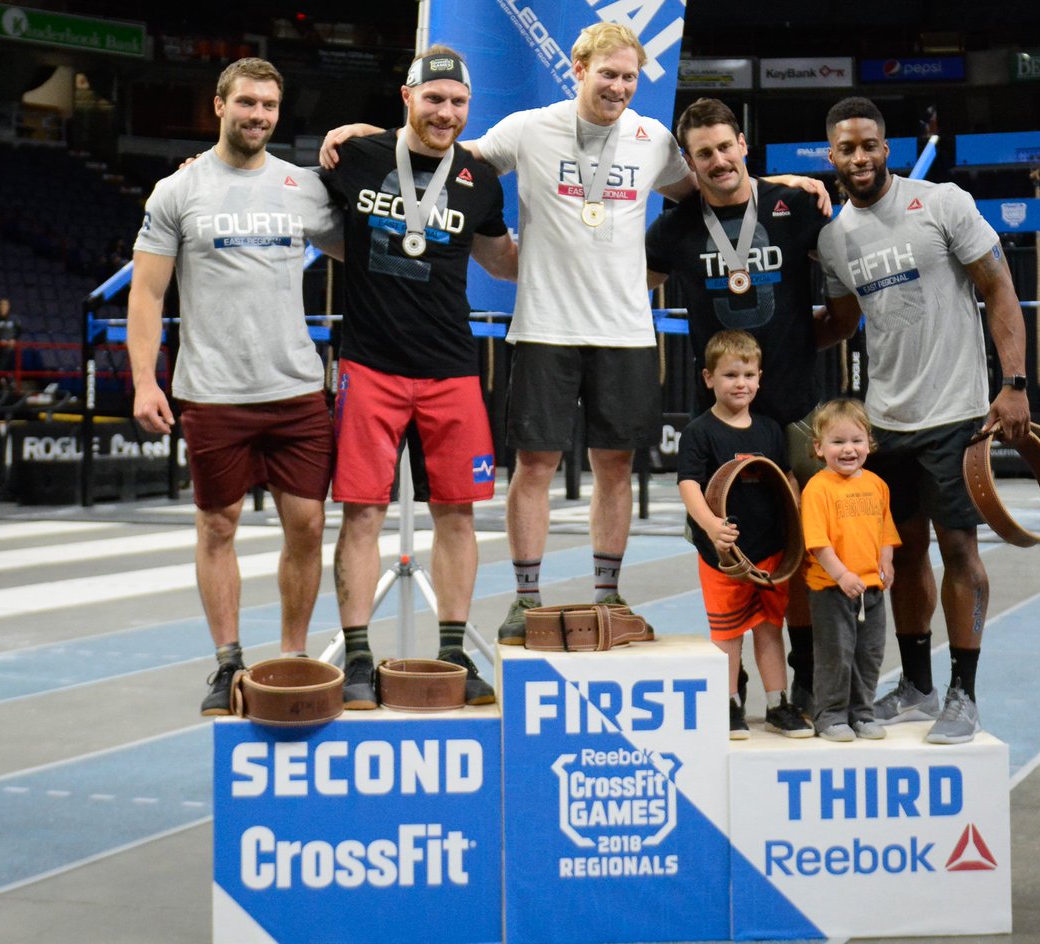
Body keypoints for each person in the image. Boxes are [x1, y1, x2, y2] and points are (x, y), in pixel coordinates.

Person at [319, 25, 827, 644]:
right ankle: (525, 599)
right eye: (608, 73)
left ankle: (607, 594)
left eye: (629, 76)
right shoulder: (528, 129)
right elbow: (442, 147)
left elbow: (713, 183)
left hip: (625, 330)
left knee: (615, 466)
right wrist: (370, 135)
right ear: (579, 69)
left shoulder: (652, 138)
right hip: (545, 326)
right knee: (535, 465)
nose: (619, 86)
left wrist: (782, 185)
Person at [128, 58, 344, 715]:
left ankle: (292, 658)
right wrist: (144, 381)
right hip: (213, 391)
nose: (258, 115)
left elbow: (366, 243)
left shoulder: (301, 187)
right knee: (216, 525)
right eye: (247, 102)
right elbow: (147, 292)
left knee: (307, 525)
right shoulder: (177, 190)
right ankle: (228, 662)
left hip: (295, 387)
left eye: (269, 106)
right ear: (219, 106)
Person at [815, 96, 1030, 744]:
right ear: (832, 156)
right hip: (885, 422)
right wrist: (771, 343)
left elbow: (999, 289)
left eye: (869, 145)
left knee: (959, 550)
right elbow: (843, 323)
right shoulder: (833, 239)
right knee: (902, 556)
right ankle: (916, 687)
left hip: (956, 412)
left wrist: (1014, 384)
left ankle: (964, 694)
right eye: (847, 148)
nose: (859, 157)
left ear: (887, 148)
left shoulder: (942, 204)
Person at [320, 46, 518, 708]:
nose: (446, 112)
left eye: (458, 102)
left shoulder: (480, 179)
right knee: (362, 513)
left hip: (450, 368)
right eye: (434, 98)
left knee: (457, 514)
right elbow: (284, 194)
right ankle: (356, 658)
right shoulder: (357, 157)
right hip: (369, 364)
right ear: (407, 97)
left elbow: (503, 260)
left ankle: (454, 652)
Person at [645, 96, 841, 725]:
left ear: (743, 146)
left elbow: (847, 286)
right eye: (703, 153)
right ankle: (733, 688)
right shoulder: (673, 228)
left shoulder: (796, 206)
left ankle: (803, 680)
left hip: (796, 411)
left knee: (801, 553)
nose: (718, 160)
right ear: (689, 162)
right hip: (722, 424)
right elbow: (625, 286)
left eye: (725, 147)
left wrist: (811, 341)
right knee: (726, 549)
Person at [677, 330, 813, 740]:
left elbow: (785, 478)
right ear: (708, 378)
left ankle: (777, 704)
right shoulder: (699, 432)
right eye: (730, 375)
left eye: (749, 375)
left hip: (770, 551)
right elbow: (689, 484)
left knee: (770, 628)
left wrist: (798, 517)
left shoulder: (770, 430)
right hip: (723, 556)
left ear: (760, 378)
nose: (741, 383)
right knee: (727, 633)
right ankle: (729, 704)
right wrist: (710, 525)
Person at [800, 399, 900, 742]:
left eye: (856, 440)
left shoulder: (877, 484)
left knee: (869, 653)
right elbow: (818, 543)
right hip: (831, 589)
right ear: (819, 447)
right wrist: (842, 575)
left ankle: (862, 713)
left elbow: (885, 530)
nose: (848, 449)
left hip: (871, 588)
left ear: (869, 443)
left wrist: (886, 560)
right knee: (835, 653)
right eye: (838, 441)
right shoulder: (818, 489)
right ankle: (830, 716)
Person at [0, 298, 20, 387]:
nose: (3, 307)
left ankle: (9, 383)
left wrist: (13, 339)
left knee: (6, 365)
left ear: (8, 307)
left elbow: (19, 331)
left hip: (11, 349)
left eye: (5, 305)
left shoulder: (14, 319)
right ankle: (2, 384)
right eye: (1, 305)